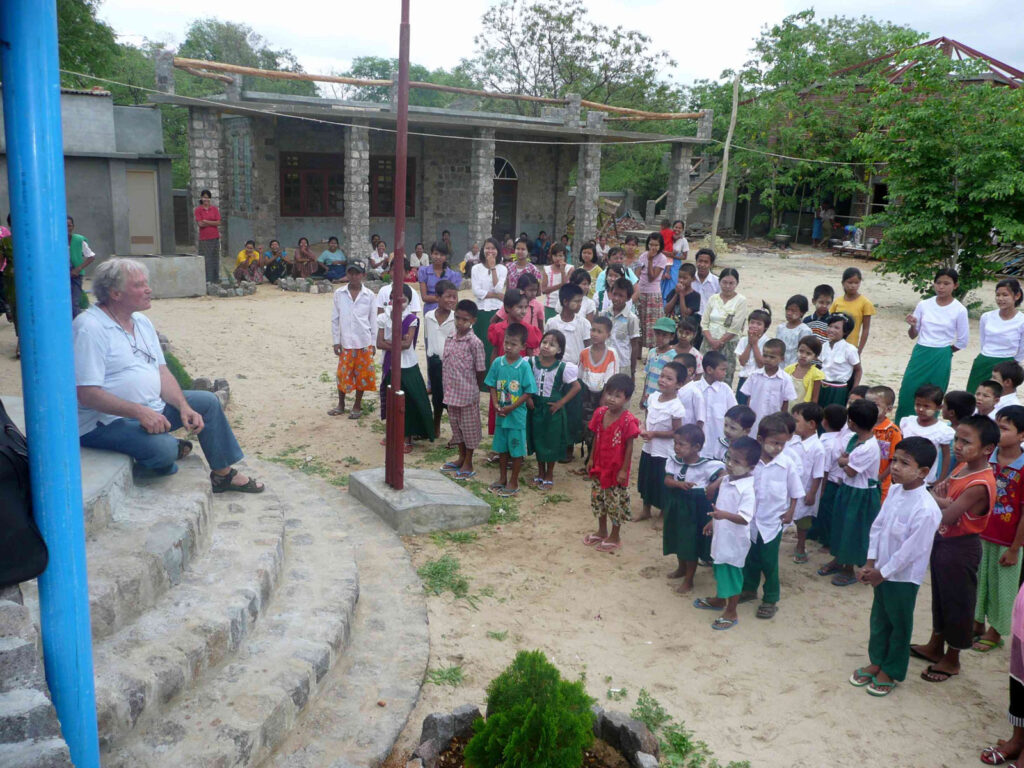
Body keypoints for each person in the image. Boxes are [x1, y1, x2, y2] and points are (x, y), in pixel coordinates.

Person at [74, 258, 263, 492]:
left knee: (207, 402)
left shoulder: (141, 322)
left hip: (151, 409)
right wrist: (139, 412)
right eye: (138, 285)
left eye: (146, 283)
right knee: (163, 450)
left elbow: (161, 371)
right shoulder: (90, 328)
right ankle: (165, 450)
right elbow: (87, 394)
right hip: (106, 422)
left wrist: (183, 406)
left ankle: (222, 474)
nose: (148, 289)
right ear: (115, 293)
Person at [849, 436, 942, 697]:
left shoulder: (926, 509)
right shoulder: (895, 491)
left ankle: (891, 669)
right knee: (879, 619)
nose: (895, 467)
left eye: (904, 463)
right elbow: (878, 527)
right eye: (894, 460)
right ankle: (877, 660)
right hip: (880, 571)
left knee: (899, 624)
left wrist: (883, 573)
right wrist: (870, 563)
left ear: (923, 472)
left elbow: (912, 552)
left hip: (902, 579)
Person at [911, 415, 998, 683]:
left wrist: (931, 497)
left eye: (966, 441)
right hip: (945, 543)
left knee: (959, 603)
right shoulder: (963, 467)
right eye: (957, 439)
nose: (958, 446)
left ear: (987, 449)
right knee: (941, 597)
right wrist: (941, 500)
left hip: (961, 548)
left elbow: (947, 516)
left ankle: (953, 658)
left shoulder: (980, 483)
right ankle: (935, 645)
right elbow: (943, 495)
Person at [738, 415, 803, 619]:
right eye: (774, 443)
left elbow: (795, 492)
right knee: (750, 558)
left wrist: (791, 511)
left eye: (782, 444)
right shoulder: (751, 462)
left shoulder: (787, 464)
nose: (778, 448)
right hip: (750, 521)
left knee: (769, 562)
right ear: (760, 439)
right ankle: (749, 589)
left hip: (772, 523)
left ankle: (770, 598)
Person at [693, 436, 761, 630]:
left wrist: (722, 515)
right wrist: (712, 521)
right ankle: (718, 600)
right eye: (729, 458)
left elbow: (745, 518)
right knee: (719, 570)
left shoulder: (747, 489)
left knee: (732, 575)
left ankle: (731, 611)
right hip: (721, 536)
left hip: (734, 542)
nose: (730, 464)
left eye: (737, 462)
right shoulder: (727, 480)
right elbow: (720, 507)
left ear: (751, 467)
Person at [974, 406, 1024, 654]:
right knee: (977, 582)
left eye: (1004, 428)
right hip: (980, 532)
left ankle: (996, 631)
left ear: (1022, 435)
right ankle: (976, 624)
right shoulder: (987, 457)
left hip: (1008, 540)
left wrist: (1015, 548)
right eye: (996, 426)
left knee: (1002, 587)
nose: (997, 432)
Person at [896, 268, 970, 422]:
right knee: (908, 390)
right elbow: (913, 335)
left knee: (934, 394)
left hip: (941, 355)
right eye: (938, 283)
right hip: (921, 352)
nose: (941, 287)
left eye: (946, 283)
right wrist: (912, 325)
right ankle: (902, 426)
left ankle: (928, 427)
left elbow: (963, 340)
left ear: (955, 286)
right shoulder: (924, 304)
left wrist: (946, 352)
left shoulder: (959, 310)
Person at [823, 398, 882, 587]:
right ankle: (838, 559)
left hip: (861, 494)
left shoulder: (868, 447)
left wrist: (842, 462)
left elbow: (850, 470)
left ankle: (848, 568)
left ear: (853, 423)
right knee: (840, 524)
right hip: (849, 489)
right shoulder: (856, 440)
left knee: (853, 530)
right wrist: (845, 461)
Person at [583, 374, 641, 553]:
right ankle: (602, 531)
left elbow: (630, 447)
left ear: (627, 399)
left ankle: (615, 536)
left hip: (616, 471)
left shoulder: (628, 420)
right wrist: (591, 459)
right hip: (599, 466)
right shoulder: (600, 413)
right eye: (609, 393)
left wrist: (624, 470)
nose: (611, 399)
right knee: (598, 500)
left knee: (615, 503)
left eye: (617, 396)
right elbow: (596, 437)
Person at [663, 424, 724, 593]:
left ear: (696, 447)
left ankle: (689, 580)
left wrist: (713, 486)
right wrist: (678, 483)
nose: (677, 447)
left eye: (682, 444)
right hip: (677, 503)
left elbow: (725, 474)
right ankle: (681, 568)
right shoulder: (673, 460)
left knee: (690, 542)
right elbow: (667, 480)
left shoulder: (706, 465)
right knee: (677, 537)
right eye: (676, 443)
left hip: (695, 507)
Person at [377, 283, 434, 451]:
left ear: (408, 301)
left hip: (407, 365)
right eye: (395, 297)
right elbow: (379, 343)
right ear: (390, 299)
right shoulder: (383, 318)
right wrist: (397, 342)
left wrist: (392, 343)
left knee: (408, 401)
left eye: (403, 299)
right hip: (389, 364)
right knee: (391, 399)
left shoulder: (412, 320)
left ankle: (407, 436)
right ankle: (391, 432)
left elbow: (407, 344)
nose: (399, 302)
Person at [485, 323, 536, 497]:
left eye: (513, 344)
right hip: (501, 415)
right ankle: (502, 478)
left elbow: (529, 391)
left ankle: (513, 480)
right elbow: (491, 385)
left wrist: (511, 407)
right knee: (502, 448)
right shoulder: (498, 363)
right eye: (506, 342)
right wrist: (495, 404)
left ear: (523, 347)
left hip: (516, 417)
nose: (508, 347)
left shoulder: (523, 366)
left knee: (516, 449)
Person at [527, 330, 581, 490]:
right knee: (537, 438)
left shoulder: (563, 367)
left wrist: (561, 403)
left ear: (559, 350)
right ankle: (540, 471)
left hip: (553, 411)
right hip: (536, 407)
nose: (546, 346)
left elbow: (576, 387)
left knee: (550, 441)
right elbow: (524, 381)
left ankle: (549, 472)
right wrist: (528, 397)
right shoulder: (530, 362)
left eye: (552, 345)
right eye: (544, 342)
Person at [439, 299, 487, 479]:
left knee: (469, 429)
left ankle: (469, 460)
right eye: (457, 318)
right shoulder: (450, 338)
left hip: (467, 394)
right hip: (451, 392)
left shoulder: (475, 343)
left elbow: (480, 369)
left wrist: (474, 388)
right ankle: (460, 457)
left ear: (473, 320)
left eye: (464, 319)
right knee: (456, 427)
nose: (460, 322)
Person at [636, 360, 686, 522]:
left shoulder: (676, 406)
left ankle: (663, 514)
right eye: (662, 376)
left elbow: (676, 432)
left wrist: (654, 433)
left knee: (661, 482)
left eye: (669, 378)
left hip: (664, 452)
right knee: (647, 478)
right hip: (648, 447)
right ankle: (646, 509)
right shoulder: (653, 398)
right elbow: (649, 419)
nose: (663, 380)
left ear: (679, 384)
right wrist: (643, 427)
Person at [330, 261, 377, 419]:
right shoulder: (339, 294)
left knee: (362, 375)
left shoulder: (369, 295)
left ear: (363, 275)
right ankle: (341, 404)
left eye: (357, 273)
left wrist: (374, 343)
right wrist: (336, 341)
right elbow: (335, 319)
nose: (354, 276)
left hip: (364, 341)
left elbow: (373, 320)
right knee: (343, 374)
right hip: (346, 342)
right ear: (347, 274)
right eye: (351, 273)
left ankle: (357, 405)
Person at [576, 317, 618, 468]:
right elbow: (579, 377)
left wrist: (605, 399)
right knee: (588, 428)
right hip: (586, 396)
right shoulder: (584, 353)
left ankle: (598, 461)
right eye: (593, 330)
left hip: (603, 396)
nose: (594, 334)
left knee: (602, 428)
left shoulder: (612, 354)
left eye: (599, 331)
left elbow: (611, 380)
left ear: (608, 334)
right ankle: (590, 460)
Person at [968, 278, 1024, 393]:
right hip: (983, 362)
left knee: (1000, 399)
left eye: (1005, 295)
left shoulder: (1021, 321)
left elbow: (1022, 349)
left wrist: (1012, 365)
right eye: (998, 295)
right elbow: (983, 341)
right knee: (974, 396)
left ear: (1017, 296)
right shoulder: (987, 317)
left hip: (1006, 365)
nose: (1000, 299)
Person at [900, 384, 955, 487]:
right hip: (903, 476)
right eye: (918, 405)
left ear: (938, 407)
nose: (920, 409)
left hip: (926, 481)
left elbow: (946, 456)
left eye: (926, 406)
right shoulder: (907, 423)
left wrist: (941, 479)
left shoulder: (942, 430)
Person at [791, 402, 826, 564]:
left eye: (797, 421)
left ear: (812, 424)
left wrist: (812, 493)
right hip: (792, 487)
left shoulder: (818, 448)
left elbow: (818, 474)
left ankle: (800, 545)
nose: (793, 423)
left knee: (804, 519)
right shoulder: (793, 441)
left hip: (806, 490)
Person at [424, 281, 459, 437]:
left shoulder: (457, 319)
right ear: (437, 297)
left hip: (452, 365)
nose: (451, 300)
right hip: (434, 363)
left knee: (452, 399)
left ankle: (455, 433)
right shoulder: (428, 316)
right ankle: (436, 427)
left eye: (454, 297)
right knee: (437, 397)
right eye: (448, 296)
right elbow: (427, 338)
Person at [740, 338, 797, 435]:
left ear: (782, 358)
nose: (767, 359)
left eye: (772, 357)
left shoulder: (785, 379)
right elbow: (749, 398)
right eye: (765, 356)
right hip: (755, 421)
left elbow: (785, 402)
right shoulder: (754, 376)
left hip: (774, 422)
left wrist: (782, 421)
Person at [701, 268, 746, 387]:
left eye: (731, 283)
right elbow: (704, 322)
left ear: (737, 284)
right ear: (719, 282)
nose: (727, 286)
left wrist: (720, 342)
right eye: (724, 282)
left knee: (724, 377)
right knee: (704, 375)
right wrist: (711, 340)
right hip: (708, 343)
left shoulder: (741, 301)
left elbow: (735, 327)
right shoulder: (713, 298)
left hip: (728, 345)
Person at [471, 237, 508, 367]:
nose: (490, 251)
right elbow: (476, 292)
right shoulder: (476, 268)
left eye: (493, 248)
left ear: (498, 251)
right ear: (483, 250)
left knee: (493, 345)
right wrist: (496, 296)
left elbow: (498, 288)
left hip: (496, 311)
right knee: (480, 343)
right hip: (480, 311)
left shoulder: (502, 269)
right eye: (487, 248)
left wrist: (493, 268)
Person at [696, 351, 737, 461]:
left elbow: (735, 413)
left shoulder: (726, 390)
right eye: (722, 369)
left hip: (719, 446)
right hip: (697, 447)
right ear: (709, 370)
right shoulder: (694, 389)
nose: (725, 373)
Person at [866, 386, 902, 503]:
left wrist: (879, 479)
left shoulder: (893, 432)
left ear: (889, 409)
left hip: (880, 484)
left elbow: (894, 460)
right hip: (861, 478)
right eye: (866, 403)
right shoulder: (862, 425)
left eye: (875, 405)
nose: (869, 408)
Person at [600, 278, 641, 380]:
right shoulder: (604, 314)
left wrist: (632, 370)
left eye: (621, 296)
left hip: (622, 365)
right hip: (604, 362)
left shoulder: (631, 319)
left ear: (628, 298)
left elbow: (634, 345)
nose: (616, 298)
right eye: (614, 294)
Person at [829, 267, 875, 357]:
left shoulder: (865, 303)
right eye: (850, 282)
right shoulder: (837, 302)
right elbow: (829, 324)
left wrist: (859, 350)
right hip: (835, 345)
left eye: (856, 283)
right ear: (843, 283)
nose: (853, 286)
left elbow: (865, 329)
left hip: (852, 347)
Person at [819, 313, 861, 407]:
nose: (831, 330)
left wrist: (854, 389)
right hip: (822, 386)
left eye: (836, 328)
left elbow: (858, 370)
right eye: (830, 326)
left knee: (834, 415)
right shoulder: (824, 346)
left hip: (838, 389)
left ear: (845, 332)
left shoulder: (850, 349)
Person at [734, 305, 772, 406]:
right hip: (744, 380)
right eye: (752, 322)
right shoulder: (743, 340)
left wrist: (754, 344)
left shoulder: (767, 342)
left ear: (765, 328)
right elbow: (742, 362)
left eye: (759, 324)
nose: (754, 326)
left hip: (759, 381)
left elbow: (761, 364)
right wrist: (749, 343)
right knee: (741, 408)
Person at [635, 233, 667, 347]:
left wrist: (650, 260)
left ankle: (651, 351)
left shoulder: (662, 259)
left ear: (660, 246)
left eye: (656, 245)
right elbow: (637, 275)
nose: (653, 247)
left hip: (653, 294)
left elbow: (652, 277)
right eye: (651, 244)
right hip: (641, 292)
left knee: (652, 324)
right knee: (639, 322)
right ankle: (638, 352)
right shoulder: (642, 256)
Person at [640, 317, 679, 407]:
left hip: (663, 399)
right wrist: (643, 395)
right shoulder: (652, 352)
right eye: (657, 334)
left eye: (664, 335)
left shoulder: (673, 356)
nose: (660, 338)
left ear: (672, 336)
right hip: (649, 396)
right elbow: (648, 376)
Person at [418, 242, 462, 313]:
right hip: (430, 311)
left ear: (445, 257)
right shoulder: (424, 271)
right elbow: (424, 297)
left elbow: (454, 299)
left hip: (448, 311)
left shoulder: (452, 275)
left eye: (442, 255)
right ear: (431, 254)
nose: (438, 257)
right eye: (436, 254)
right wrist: (444, 299)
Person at [67, 215, 95, 317]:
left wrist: (78, 269)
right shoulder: (55, 241)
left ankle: (77, 326)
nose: (67, 229)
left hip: (75, 275)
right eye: (64, 226)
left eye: (69, 226)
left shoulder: (79, 240)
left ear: (73, 227)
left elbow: (91, 256)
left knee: (74, 303)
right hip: (60, 274)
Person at [664, 262, 701, 337]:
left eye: (685, 278)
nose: (681, 280)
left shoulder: (695, 296)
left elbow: (685, 315)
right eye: (679, 277)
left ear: (693, 279)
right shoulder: (674, 292)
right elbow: (666, 310)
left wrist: (681, 294)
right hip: (670, 328)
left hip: (684, 331)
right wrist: (676, 294)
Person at [776, 295, 814, 368]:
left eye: (793, 311)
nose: (789, 313)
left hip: (795, 368)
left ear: (802, 313)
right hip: (779, 367)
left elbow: (804, 352)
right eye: (787, 309)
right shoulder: (780, 328)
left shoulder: (804, 330)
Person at [786, 336, 824, 406]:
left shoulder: (816, 375)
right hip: (786, 408)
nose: (803, 355)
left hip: (802, 412)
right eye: (801, 351)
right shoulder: (788, 369)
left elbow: (814, 399)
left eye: (808, 353)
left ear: (815, 357)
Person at [194, 189, 222, 284]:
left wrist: (206, 221)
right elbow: (200, 224)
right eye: (204, 197)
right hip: (204, 239)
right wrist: (211, 223)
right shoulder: (198, 210)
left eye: (207, 197)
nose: (206, 199)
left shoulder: (214, 209)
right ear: (201, 198)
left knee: (215, 258)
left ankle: (215, 279)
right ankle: (207, 280)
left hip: (215, 237)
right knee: (206, 259)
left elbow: (218, 222)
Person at [541, 243, 573, 320]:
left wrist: (562, 271)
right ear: (551, 256)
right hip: (550, 305)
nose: (558, 258)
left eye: (561, 256)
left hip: (565, 306)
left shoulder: (570, 269)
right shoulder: (547, 269)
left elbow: (565, 286)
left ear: (565, 257)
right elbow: (544, 290)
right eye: (555, 256)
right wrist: (560, 285)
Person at [692, 248, 719, 319]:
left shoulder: (717, 282)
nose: (702, 265)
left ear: (711, 264)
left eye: (706, 262)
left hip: (710, 319)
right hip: (691, 320)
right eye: (700, 261)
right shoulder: (689, 280)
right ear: (696, 262)